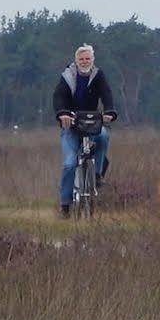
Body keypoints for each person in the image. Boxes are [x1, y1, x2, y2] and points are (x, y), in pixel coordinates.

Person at [53, 44, 117, 216]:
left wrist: (109, 111)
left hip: (92, 122)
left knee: (103, 136)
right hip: (71, 123)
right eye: (81, 59)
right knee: (69, 164)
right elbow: (58, 96)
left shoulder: (98, 75)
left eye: (87, 58)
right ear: (76, 60)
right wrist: (62, 114)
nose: (84, 61)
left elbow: (107, 94)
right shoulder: (68, 76)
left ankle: (96, 175)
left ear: (93, 60)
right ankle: (65, 206)